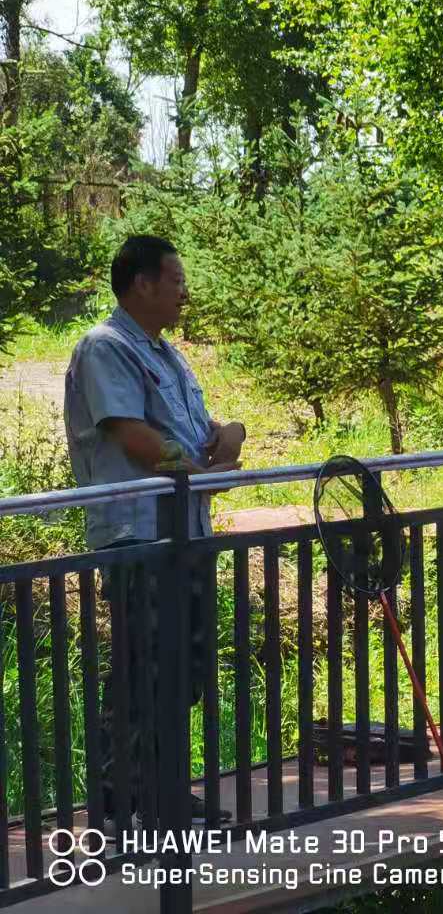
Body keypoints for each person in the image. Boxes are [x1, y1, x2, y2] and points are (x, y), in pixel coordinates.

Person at [64, 235, 246, 825]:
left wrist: (229, 436)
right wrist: (199, 474)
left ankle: (156, 791)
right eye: (176, 281)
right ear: (141, 284)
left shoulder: (168, 355)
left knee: (183, 668)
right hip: (138, 533)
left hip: (184, 529)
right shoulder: (106, 347)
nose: (184, 293)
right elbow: (132, 435)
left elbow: (195, 432)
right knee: (143, 666)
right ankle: (124, 800)